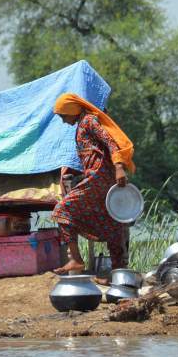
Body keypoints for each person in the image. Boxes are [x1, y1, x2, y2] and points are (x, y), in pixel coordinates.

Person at [50, 93, 136, 282]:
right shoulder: (82, 124)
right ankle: (118, 275)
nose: (63, 121)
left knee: (62, 210)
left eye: (63, 116)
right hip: (100, 179)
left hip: (98, 178)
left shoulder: (89, 121)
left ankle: (75, 259)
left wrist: (119, 167)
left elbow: (110, 142)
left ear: (72, 110)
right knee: (113, 224)